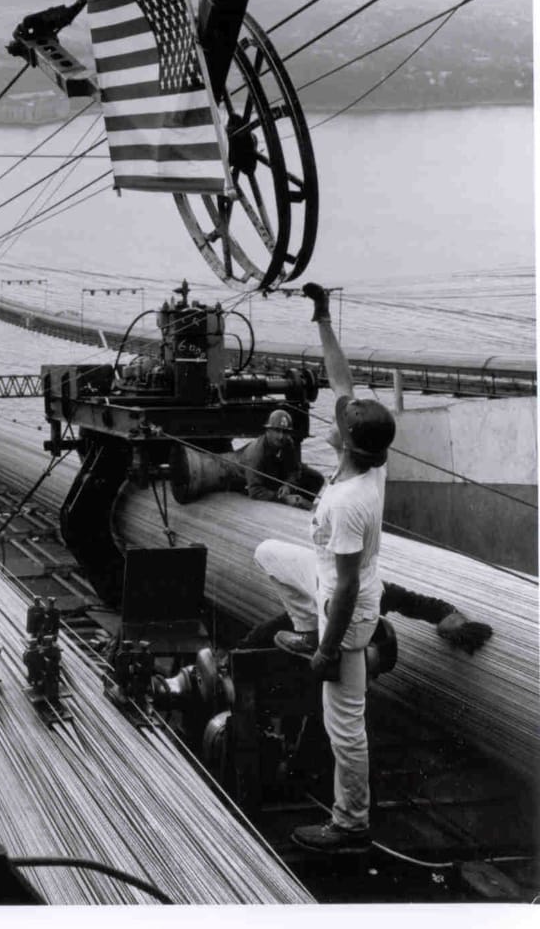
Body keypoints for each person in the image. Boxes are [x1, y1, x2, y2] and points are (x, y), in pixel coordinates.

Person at [253, 282, 396, 855]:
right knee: (268, 553)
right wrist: (322, 318)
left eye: (344, 417)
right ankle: (309, 627)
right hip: (332, 593)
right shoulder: (368, 463)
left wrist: (325, 652)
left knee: (345, 726)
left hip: (349, 612)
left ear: (349, 442)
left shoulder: (344, 503)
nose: (336, 412)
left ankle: (350, 823)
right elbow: (342, 381)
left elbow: (344, 586)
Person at [237, 408, 327, 507]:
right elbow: (255, 491)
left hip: (274, 472)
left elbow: (295, 470)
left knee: (317, 478)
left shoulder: (287, 442)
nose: (281, 436)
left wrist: (288, 485)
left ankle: (303, 507)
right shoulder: (255, 453)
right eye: (277, 431)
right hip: (249, 479)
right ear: (268, 431)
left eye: (285, 432)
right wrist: (283, 499)